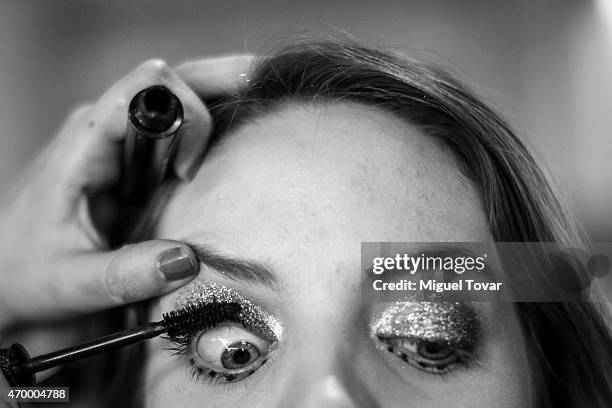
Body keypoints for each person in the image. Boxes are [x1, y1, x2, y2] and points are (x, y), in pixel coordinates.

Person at [1, 35, 611, 407]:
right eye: (232, 352)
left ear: (549, 388)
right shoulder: (47, 392)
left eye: (429, 339)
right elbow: (32, 392)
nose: (328, 401)